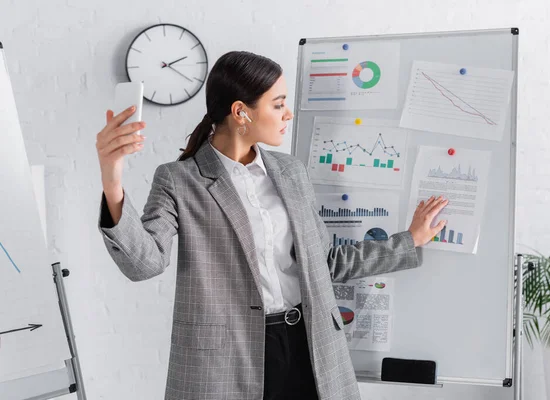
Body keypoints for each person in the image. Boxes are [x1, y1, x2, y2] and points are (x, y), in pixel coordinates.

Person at [96, 51, 448, 400]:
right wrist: (112, 178)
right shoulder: (179, 179)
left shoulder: (290, 171)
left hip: (310, 346)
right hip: (225, 359)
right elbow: (143, 264)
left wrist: (409, 240)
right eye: (278, 104)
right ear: (241, 112)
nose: (288, 114)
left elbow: (325, 264)